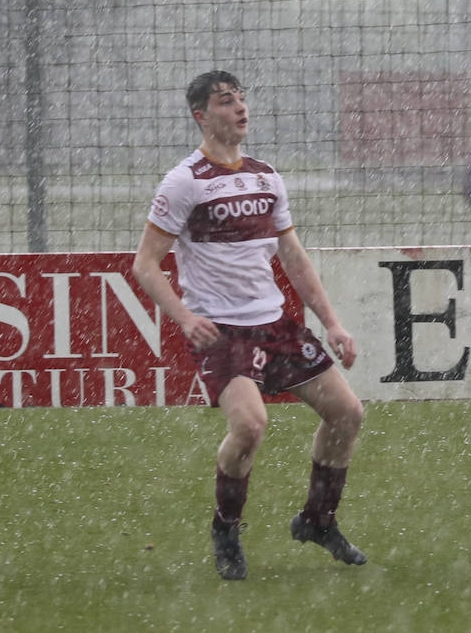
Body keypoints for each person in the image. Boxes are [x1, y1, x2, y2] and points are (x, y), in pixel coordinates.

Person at [132, 70, 368, 581]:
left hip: (275, 325)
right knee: (250, 425)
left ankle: (317, 520)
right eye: (225, 102)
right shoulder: (184, 181)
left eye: (241, 100)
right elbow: (145, 264)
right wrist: (186, 316)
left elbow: (294, 257)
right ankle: (226, 528)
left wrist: (332, 323)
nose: (239, 109)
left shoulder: (266, 177)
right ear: (201, 115)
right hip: (223, 332)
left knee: (348, 414)